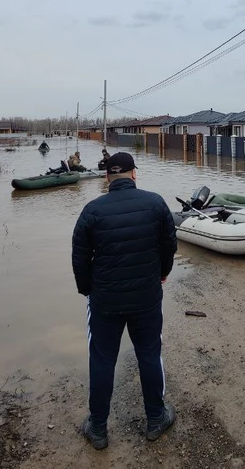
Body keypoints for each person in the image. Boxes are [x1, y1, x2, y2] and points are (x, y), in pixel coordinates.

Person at [71, 152, 178, 450]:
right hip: (146, 296)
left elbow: (79, 257)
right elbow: (170, 244)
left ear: (107, 178)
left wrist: (86, 290)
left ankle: (99, 428)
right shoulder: (156, 203)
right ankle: (156, 419)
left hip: (105, 300)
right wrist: (163, 274)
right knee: (149, 353)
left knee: (103, 358)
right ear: (134, 175)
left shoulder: (92, 210)